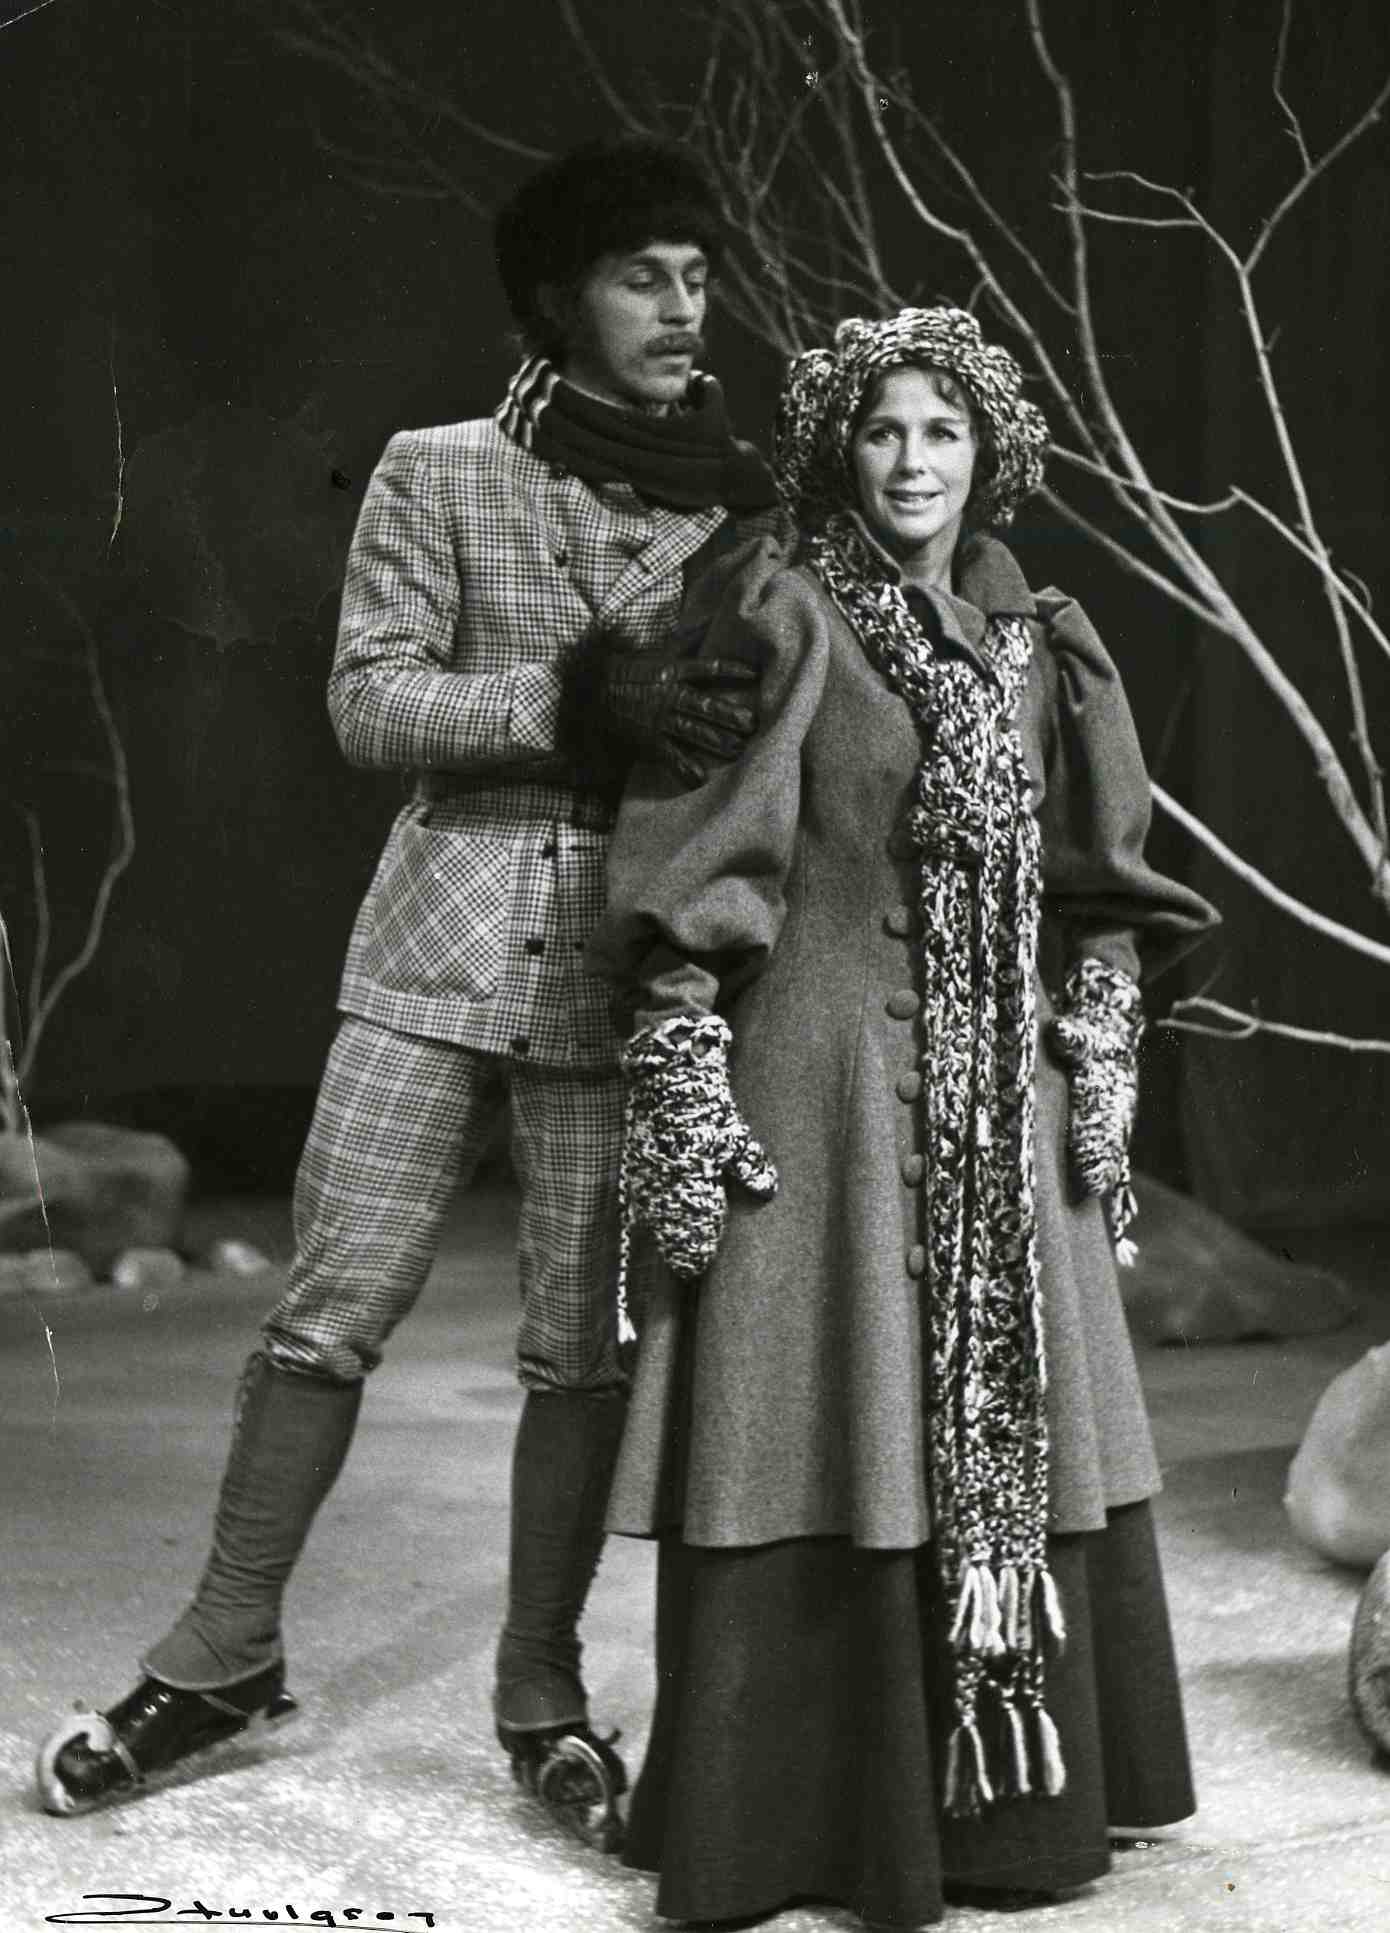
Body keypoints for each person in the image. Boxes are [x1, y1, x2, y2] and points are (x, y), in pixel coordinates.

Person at [35, 136, 780, 1847]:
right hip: (431, 954)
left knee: (577, 1352)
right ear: (556, 300)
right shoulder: (438, 469)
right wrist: (565, 700)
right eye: (641, 277)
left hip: (621, 982)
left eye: (694, 276)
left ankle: (540, 1691)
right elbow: (369, 702)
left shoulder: (744, 512)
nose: (680, 307)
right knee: (326, 1310)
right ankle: (223, 1651)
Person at [586, 307, 1220, 1925]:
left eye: (943, 430)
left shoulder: (1039, 638)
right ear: (839, 452)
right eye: (882, 431)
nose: (912, 461)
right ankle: (790, 1824)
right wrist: (680, 1047)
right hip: (824, 1094)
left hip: (1002, 1099)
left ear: (986, 453)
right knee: (821, 1422)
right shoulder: (784, 612)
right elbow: (702, 854)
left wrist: (1093, 1019)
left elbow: (1102, 880)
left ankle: (1003, 1823)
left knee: (1023, 1426)